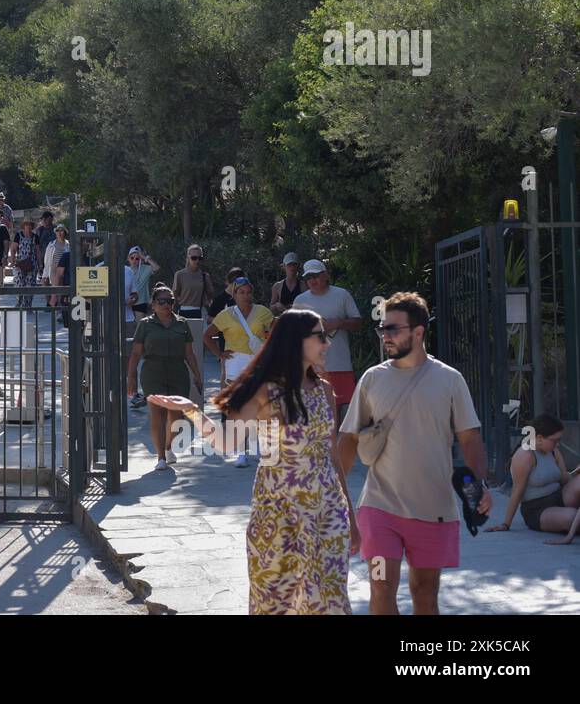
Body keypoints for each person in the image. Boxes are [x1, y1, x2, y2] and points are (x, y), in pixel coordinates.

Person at [149, 308, 355, 614]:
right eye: (321, 336)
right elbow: (225, 442)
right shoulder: (265, 391)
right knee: (276, 602)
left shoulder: (325, 390)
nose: (327, 343)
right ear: (296, 341)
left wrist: (351, 513)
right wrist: (192, 409)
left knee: (330, 601)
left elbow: (332, 453)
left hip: (328, 512)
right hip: (278, 514)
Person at [337, 292, 493, 615]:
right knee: (380, 587)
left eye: (393, 329)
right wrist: (336, 498)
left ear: (418, 332)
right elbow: (348, 440)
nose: (385, 336)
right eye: (382, 329)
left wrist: (481, 484)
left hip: (433, 510)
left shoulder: (450, 380)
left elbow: (470, 437)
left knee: (425, 594)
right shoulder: (372, 379)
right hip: (379, 508)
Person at [125, 285, 203, 471]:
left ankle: (169, 448)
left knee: (177, 416)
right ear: (153, 304)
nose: (167, 305)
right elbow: (136, 353)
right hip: (153, 371)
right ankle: (160, 456)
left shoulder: (182, 323)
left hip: (177, 371)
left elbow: (189, 353)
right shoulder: (145, 324)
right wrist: (131, 377)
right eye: (162, 301)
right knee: (158, 415)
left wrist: (197, 375)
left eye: (170, 301)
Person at [203, 277, 274, 466]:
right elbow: (207, 335)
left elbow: (276, 332)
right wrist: (219, 353)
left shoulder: (263, 312)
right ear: (234, 294)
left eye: (248, 291)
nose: (245, 295)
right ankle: (242, 452)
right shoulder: (226, 315)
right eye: (241, 292)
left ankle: (260, 448)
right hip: (235, 362)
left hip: (257, 361)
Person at [486, 413, 580, 542]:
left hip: (559, 495)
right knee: (572, 518)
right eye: (555, 440)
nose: (558, 444)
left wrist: (575, 473)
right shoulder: (525, 455)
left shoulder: (553, 451)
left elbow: (565, 480)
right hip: (537, 509)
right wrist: (506, 524)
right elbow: (517, 492)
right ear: (540, 438)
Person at [293, 259, 364, 428]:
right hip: (311, 366)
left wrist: (338, 323)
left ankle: (333, 450)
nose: (312, 280)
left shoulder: (342, 294)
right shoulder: (299, 300)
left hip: (339, 363)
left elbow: (359, 323)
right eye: (308, 277)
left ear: (326, 275)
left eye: (316, 276)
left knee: (336, 410)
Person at [171, 244, 216, 320]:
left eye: (200, 258)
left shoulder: (205, 276)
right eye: (194, 258)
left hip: (200, 311)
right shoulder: (180, 274)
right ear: (188, 258)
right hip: (184, 311)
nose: (197, 261)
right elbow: (174, 295)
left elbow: (210, 295)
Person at [11, 219, 41, 308]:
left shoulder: (35, 237)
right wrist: (13, 261)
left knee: (30, 285)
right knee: (19, 284)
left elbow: (38, 251)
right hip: (20, 264)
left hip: (32, 264)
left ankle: (28, 305)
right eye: (26, 224)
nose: (28, 226)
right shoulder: (18, 235)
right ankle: (19, 302)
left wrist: (40, 264)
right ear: (23, 226)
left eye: (30, 225)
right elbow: (13, 249)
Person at [126, 246, 161, 317]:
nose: (134, 260)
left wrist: (145, 257)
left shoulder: (145, 269)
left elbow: (156, 268)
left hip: (141, 302)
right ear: (128, 258)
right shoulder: (125, 270)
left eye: (137, 258)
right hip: (128, 302)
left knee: (139, 326)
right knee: (129, 326)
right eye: (132, 258)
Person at [45, 224, 70, 308]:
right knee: (55, 289)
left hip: (64, 269)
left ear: (64, 232)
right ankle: (56, 311)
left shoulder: (68, 244)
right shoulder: (51, 244)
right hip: (53, 269)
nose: (59, 233)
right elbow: (47, 260)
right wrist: (45, 275)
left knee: (62, 289)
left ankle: (61, 309)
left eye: (61, 230)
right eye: (57, 231)